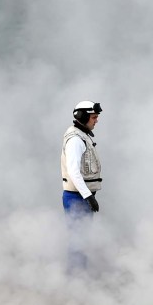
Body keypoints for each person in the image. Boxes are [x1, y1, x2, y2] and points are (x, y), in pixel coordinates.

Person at [60, 100, 103, 269]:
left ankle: (79, 277)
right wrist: (88, 197)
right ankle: (76, 279)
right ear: (83, 117)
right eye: (93, 117)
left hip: (81, 196)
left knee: (82, 238)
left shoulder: (81, 136)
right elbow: (73, 172)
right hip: (77, 197)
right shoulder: (76, 140)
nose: (96, 120)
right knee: (78, 239)